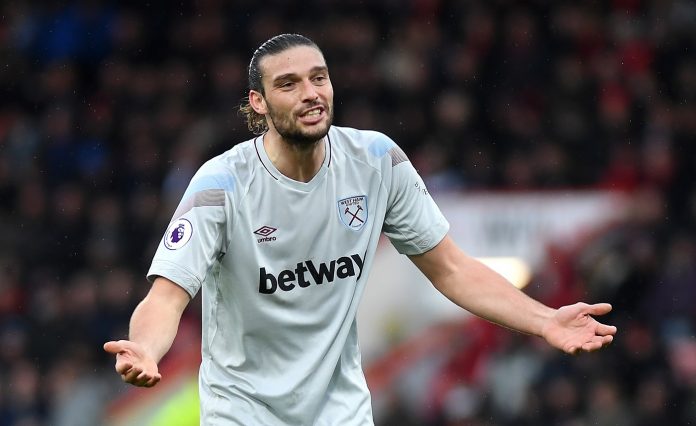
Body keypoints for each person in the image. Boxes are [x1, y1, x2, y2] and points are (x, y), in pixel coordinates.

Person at [104, 33, 617, 425]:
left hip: (341, 412)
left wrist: (545, 320)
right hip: (246, 414)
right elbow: (167, 297)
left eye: (318, 77)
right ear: (257, 103)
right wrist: (146, 348)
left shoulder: (376, 161)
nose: (310, 93)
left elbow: (453, 269)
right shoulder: (222, 184)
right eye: (288, 84)